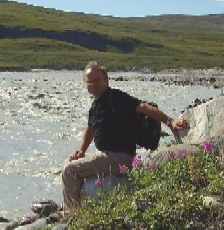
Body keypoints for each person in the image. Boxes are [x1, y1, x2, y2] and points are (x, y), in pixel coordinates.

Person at [62, 61, 190, 214]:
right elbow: (90, 129)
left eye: (97, 80)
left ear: (106, 80)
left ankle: (70, 214)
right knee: (68, 163)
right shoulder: (96, 105)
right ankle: (78, 207)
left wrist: (170, 121)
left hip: (119, 157)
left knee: (70, 171)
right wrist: (81, 151)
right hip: (107, 155)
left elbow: (143, 107)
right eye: (89, 81)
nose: (93, 84)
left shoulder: (115, 97)